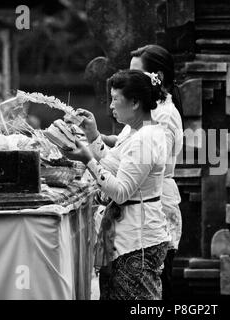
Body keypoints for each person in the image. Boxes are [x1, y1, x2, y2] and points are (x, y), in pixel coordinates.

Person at [64, 69, 170, 300]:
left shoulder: (147, 138)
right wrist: (92, 136)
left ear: (134, 102)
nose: (111, 105)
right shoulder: (132, 131)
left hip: (137, 240)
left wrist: (88, 160)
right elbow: (112, 165)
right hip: (123, 237)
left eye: (115, 99)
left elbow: (121, 191)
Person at [90, 44, 184, 300]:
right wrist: (93, 139)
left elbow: (129, 174)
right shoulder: (142, 121)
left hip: (148, 211)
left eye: (136, 74)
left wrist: (90, 158)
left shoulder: (158, 120)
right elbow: (121, 153)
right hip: (134, 210)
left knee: (147, 291)